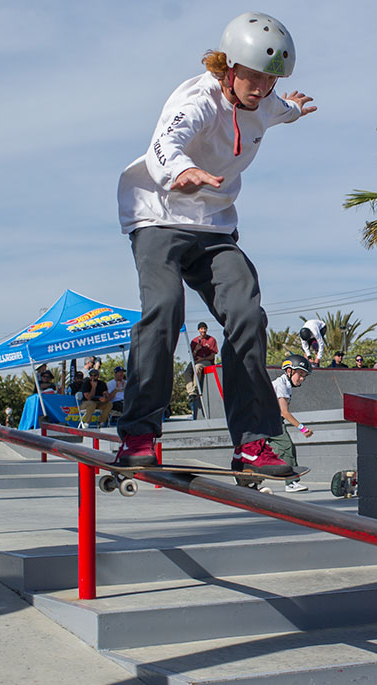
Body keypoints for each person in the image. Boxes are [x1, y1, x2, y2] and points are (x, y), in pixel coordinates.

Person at [113, 11, 316, 475]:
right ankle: (139, 432)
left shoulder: (266, 100)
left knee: (246, 315)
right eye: (255, 78)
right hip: (159, 216)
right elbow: (167, 142)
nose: (262, 89)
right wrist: (181, 171)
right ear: (229, 67)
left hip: (215, 227)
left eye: (272, 80)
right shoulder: (196, 100)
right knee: (165, 308)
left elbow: (280, 111)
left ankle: (251, 442)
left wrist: (296, 109)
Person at [268, 356, 314, 492]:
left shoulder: (285, 384)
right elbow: (284, 412)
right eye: (300, 374)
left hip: (265, 420)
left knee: (272, 450)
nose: (302, 379)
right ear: (289, 371)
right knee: (287, 448)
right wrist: (302, 428)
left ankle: (243, 473)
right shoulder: (281, 385)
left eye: (304, 376)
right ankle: (291, 482)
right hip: (269, 421)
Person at [190, 321, 219, 398]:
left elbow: (212, 356)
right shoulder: (194, 341)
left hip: (207, 362)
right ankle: (191, 391)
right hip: (196, 360)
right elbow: (191, 356)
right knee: (187, 371)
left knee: (197, 367)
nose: (203, 330)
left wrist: (201, 359)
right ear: (199, 330)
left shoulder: (211, 340)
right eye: (201, 329)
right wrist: (196, 350)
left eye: (205, 328)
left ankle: (196, 388)